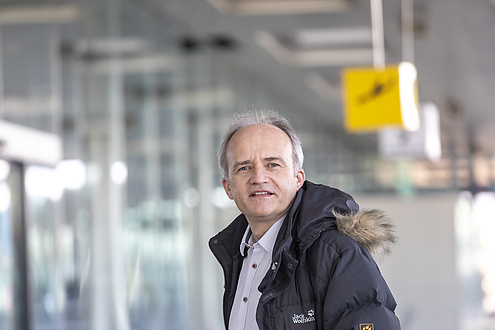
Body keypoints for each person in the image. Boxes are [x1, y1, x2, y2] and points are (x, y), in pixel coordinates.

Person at [209, 110, 401, 330]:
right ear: (228, 187)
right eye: (244, 168)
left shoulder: (337, 252)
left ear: (298, 178)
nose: (259, 178)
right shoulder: (237, 255)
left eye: (272, 164)